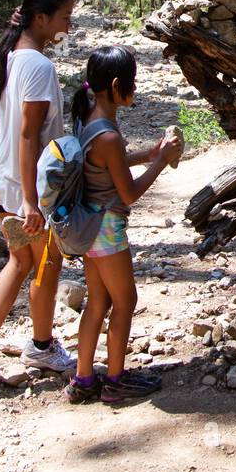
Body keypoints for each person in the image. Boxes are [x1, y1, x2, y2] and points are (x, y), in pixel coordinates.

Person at [0, 0, 77, 381]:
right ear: (41, 18)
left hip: (4, 176)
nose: (69, 24)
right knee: (47, 263)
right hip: (32, 185)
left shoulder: (12, 56)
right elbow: (31, 134)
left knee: (20, 260)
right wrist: (32, 201)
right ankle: (42, 347)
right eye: (65, 17)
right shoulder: (40, 67)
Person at [63, 45, 183, 403]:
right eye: (132, 82)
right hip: (107, 227)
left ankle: (84, 380)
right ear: (116, 85)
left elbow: (103, 164)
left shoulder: (90, 119)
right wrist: (160, 161)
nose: (135, 88)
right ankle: (115, 380)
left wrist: (146, 154)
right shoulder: (109, 135)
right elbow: (128, 193)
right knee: (125, 300)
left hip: (87, 223)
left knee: (97, 302)